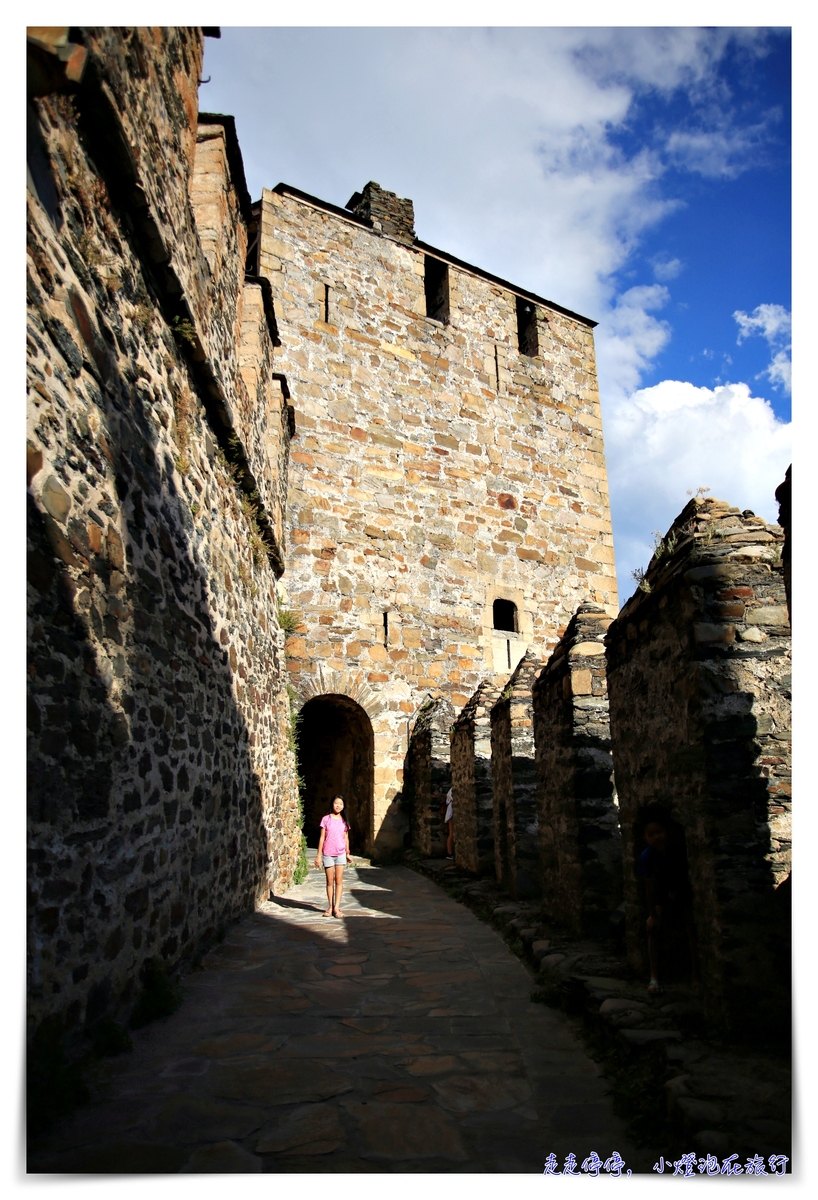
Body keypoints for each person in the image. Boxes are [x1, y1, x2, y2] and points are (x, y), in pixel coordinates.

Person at [637, 817, 698, 996]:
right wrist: (653, 915)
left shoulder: (678, 850)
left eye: (659, 832)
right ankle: (654, 976)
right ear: (645, 838)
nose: (656, 837)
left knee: (691, 930)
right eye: (651, 834)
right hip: (661, 897)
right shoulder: (647, 857)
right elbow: (649, 887)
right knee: (653, 930)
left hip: (682, 893)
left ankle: (695, 975)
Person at [314, 795, 351, 917]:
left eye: (341, 804)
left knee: (339, 881)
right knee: (330, 881)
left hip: (340, 854)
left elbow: (346, 837)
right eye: (336, 803)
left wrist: (347, 852)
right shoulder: (326, 819)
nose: (338, 806)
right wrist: (318, 856)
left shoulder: (344, 821)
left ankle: (337, 907)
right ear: (332, 804)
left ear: (343, 806)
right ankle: (330, 906)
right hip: (328, 854)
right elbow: (322, 838)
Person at [439, 786, 454, 859]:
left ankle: (450, 852)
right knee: (451, 834)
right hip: (451, 814)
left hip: (450, 813)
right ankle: (450, 853)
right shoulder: (453, 790)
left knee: (451, 834)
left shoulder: (450, 790)